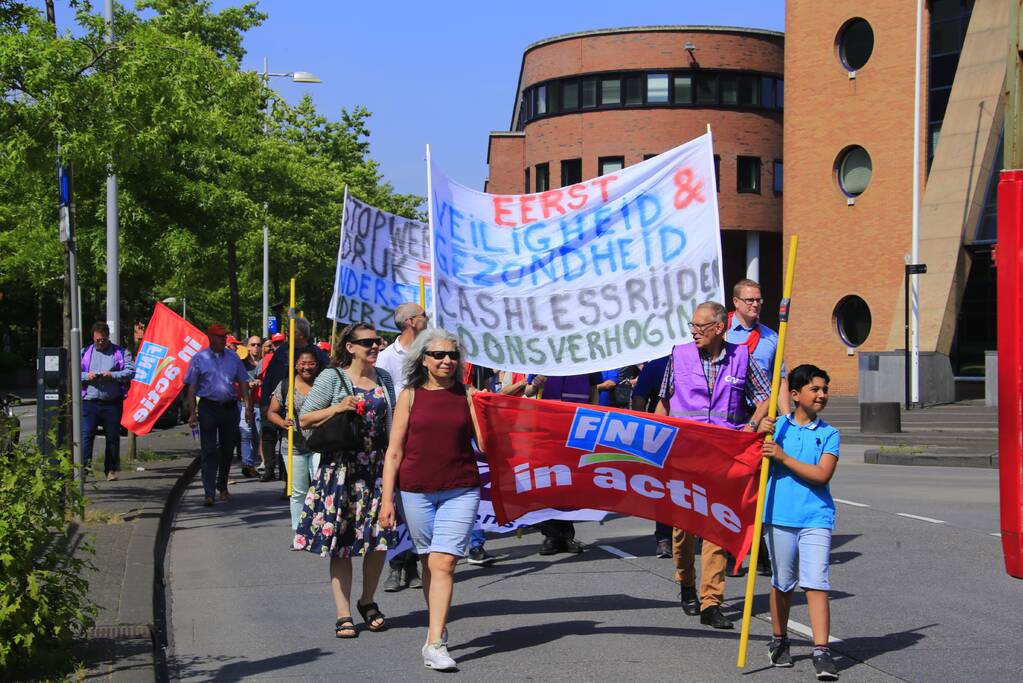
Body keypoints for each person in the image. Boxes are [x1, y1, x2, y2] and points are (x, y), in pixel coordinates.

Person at [656, 301, 771, 629]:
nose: (693, 332)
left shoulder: (742, 357)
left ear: (719, 328)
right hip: (684, 455)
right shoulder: (679, 355)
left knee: (716, 527)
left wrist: (751, 426)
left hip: (722, 457)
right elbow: (663, 403)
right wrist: (656, 443)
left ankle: (711, 602)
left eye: (699, 326)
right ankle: (686, 584)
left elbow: (765, 397)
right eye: (691, 326)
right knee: (683, 531)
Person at [379, 328, 483, 672]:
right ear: (423, 360)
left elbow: (484, 445)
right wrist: (387, 500)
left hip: (461, 488)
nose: (446, 361)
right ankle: (437, 626)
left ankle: (435, 643)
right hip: (416, 491)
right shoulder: (409, 396)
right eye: (438, 355)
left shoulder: (468, 395)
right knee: (429, 562)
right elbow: (394, 452)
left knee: (444, 563)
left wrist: (484, 408)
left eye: (452, 355)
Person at [296, 322, 397, 639]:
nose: (375, 346)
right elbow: (304, 418)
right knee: (341, 544)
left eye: (377, 341)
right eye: (367, 342)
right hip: (341, 471)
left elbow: (393, 425)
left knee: (378, 539)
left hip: (376, 469)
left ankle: (367, 600)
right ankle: (343, 613)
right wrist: (339, 407)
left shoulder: (384, 378)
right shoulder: (332, 377)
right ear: (350, 347)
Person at [757, 364, 840, 680]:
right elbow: (747, 456)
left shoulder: (829, 434)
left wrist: (783, 457)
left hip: (816, 518)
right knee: (783, 582)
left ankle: (822, 651)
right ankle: (779, 640)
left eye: (825, 389)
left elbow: (821, 474)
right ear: (795, 394)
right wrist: (757, 429)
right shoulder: (777, 427)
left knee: (816, 582)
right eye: (814, 389)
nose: (821, 395)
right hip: (778, 515)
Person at [730, 278, 788, 576]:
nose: (755, 305)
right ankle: (732, 548)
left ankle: (760, 550)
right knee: (733, 486)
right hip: (732, 418)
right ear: (736, 302)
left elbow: (779, 380)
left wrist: (787, 418)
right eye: (749, 300)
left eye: (759, 300)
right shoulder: (723, 333)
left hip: (762, 416)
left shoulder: (770, 338)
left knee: (758, 483)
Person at [376, 302, 429, 591]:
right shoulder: (386, 357)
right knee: (396, 501)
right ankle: (397, 565)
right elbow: (382, 397)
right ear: (410, 321)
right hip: (397, 439)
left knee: (417, 502)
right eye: (423, 315)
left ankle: (414, 564)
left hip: (425, 438)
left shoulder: (431, 352)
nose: (428, 318)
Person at [524, 372, 600, 555]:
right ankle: (551, 535)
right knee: (549, 481)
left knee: (569, 483)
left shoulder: (587, 361)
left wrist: (594, 417)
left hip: (577, 427)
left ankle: (566, 535)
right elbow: (528, 391)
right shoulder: (544, 361)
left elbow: (594, 390)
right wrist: (535, 384)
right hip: (548, 428)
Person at [185, 324, 254, 506]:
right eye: (220, 336)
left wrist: (247, 407)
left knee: (227, 449)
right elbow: (191, 387)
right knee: (209, 450)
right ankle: (209, 493)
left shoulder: (233, 358)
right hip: (208, 407)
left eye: (224, 336)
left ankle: (222, 486)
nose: (223, 340)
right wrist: (192, 413)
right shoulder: (199, 358)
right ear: (210, 338)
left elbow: (243, 381)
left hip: (230, 408)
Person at [260, 318, 329, 482]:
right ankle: (277, 473)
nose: (287, 333)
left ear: (301, 334)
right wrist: (264, 403)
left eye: (292, 331)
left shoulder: (316, 353)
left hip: (306, 403)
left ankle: (295, 479)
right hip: (280, 399)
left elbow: (328, 375)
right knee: (277, 438)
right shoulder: (282, 351)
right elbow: (269, 377)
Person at [267, 349, 324, 540]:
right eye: (302, 363)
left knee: (319, 488)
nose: (307, 367)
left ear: (317, 365)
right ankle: (299, 532)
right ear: (295, 365)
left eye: (311, 363)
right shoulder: (286, 385)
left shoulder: (323, 384)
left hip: (319, 444)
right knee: (298, 491)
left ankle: (319, 529)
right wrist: (283, 422)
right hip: (293, 446)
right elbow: (271, 412)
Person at [630, 355, 673, 557]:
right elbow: (639, 397)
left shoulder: (703, 362)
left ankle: (699, 534)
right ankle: (664, 538)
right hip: (663, 435)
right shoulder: (658, 364)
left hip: (695, 436)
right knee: (665, 488)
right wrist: (644, 429)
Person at [81, 321, 134, 480]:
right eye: (97, 340)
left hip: (112, 402)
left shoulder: (120, 353)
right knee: (86, 436)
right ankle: (83, 470)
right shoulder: (84, 352)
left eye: (103, 340)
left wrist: (112, 375)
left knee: (112, 437)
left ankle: (110, 470)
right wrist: (87, 376)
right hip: (89, 401)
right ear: (93, 337)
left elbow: (130, 372)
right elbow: (73, 372)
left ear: (108, 336)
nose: (100, 343)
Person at [238, 336, 263, 477]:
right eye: (253, 344)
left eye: (259, 345)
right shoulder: (241, 364)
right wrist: (249, 385)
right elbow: (237, 382)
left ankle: (252, 463)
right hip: (244, 403)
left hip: (259, 404)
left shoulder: (264, 363)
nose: (256, 347)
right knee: (245, 435)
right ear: (247, 347)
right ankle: (247, 464)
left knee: (257, 436)